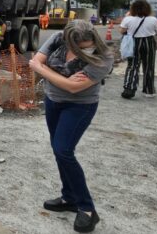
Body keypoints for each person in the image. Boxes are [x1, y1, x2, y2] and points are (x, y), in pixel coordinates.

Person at [29, 20, 113, 233]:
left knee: (63, 150)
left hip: (80, 107)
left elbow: (73, 88)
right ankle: (69, 197)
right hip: (52, 101)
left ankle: (86, 208)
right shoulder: (58, 38)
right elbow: (34, 62)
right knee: (59, 150)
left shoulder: (104, 58)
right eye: (81, 47)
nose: (87, 49)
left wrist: (44, 70)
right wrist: (54, 74)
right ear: (69, 40)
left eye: (88, 45)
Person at [119, 0, 157, 99]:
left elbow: (122, 31)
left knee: (132, 65)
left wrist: (127, 16)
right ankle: (149, 91)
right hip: (149, 42)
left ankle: (129, 89)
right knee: (149, 66)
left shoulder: (128, 19)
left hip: (134, 42)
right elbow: (155, 31)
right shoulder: (153, 19)